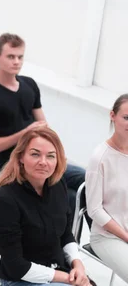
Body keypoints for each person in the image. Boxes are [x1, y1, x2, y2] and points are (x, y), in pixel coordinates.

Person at [0, 33, 85, 215]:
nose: (16, 61)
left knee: (85, 182)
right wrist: (24, 134)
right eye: (11, 56)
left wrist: (51, 152)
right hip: (14, 163)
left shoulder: (29, 84)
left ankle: (93, 241)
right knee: (70, 198)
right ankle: (63, 241)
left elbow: (43, 125)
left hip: (39, 154)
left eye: (20, 57)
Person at [0, 127, 91, 286]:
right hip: (21, 279)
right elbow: (16, 267)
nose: (43, 162)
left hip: (58, 271)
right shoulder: (6, 200)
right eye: (35, 154)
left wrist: (78, 264)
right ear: (21, 156)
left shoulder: (59, 185)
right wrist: (66, 278)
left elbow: (65, 234)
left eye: (50, 156)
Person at [85, 94, 128, 283]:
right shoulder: (100, 158)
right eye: (126, 117)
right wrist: (126, 236)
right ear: (113, 115)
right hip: (107, 237)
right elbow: (94, 210)